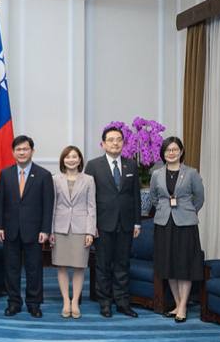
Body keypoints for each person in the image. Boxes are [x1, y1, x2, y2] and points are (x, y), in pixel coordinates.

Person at [84, 126, 142, 318]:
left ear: (123, 143)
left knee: (123, 264)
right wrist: (91, 226)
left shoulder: (131, 165)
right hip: (102, 224)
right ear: (103, 144)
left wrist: (137, 223)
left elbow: (135, 196)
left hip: (126, 224)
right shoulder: (93, 166)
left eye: (118, 139)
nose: (115, 143)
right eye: (111, 139)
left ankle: (123, 303)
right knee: (103, 265)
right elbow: (88, 198)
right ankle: (105, 303)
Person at [0, 135, 53, 318]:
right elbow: (0, 203)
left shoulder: (44, 175)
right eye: (18, 149)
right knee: (11, 269)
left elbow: (48, 205)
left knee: (34, 269)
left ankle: (34, 304)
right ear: (13, 152)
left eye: (25, 149)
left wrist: (45, 229)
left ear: (32, 151)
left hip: (34, 232)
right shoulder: (5, 174)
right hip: (10, 230)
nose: (22, 152)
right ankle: (13, 303)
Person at [150, 136, 205, 323]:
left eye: (174, 149)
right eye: (167, 150)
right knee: (168, 264)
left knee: (184, 264)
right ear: (163, 153)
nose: (171, 153)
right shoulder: (156, 174)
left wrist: (187, 212)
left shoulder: (191, 173)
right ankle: (177, 303)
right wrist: (164, 210)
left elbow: (199, 198)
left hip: (186, 224)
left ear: (181, 152)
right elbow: (154, 197)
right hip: (164, 223)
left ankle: (182, 307)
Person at [50, 146, 96, 320]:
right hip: (60, 227)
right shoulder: (55, 179)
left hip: (81, 228)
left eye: (74, 156)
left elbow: (92, 207)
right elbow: (51, 205)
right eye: (67, 157)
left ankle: (75, 301)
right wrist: (50, 230)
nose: (71, 159)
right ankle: (65, 301)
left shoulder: (89, 180)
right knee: (61, 265)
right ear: (63, 160)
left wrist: (90, 231)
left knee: (79, 266)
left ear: (79, 160)